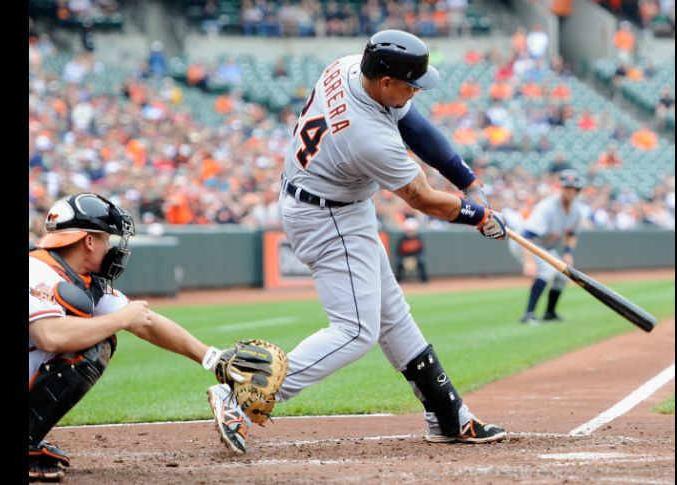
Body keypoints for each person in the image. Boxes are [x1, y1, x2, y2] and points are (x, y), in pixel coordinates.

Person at [207, 29, 508, 453]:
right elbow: (422, 197)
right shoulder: (367, 134)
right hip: (327, 215)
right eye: (411, 85)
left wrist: (469, 183)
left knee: (391, 313)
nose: (416, 93)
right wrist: (479, 216)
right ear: (386, 83)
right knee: (356, 330)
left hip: (330, 200)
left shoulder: (352, 67)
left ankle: (447, 414)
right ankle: (240, 396)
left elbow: (417, 128)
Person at [29, 193, 235, 480]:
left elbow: (146, 322)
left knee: (99, 337)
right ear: (89, 241)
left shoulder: (80, 280)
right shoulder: (36, 270)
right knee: (93, 343)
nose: (110, 246)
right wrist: (119, 320)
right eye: (106, 238)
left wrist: (214, 359)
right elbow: (48, 335)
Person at [509, 170, 586, 324]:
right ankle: (528, 314)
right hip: (524, 243)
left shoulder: (576, 210)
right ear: (561, 188)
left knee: (564, 275)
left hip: (544, 247)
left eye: (573, 188)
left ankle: (550, 313)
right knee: (547, 269)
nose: (570, 191)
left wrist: (568, 253)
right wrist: (529, 261)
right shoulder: (547, 207)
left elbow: (571, 234)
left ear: (578, 191)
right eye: (567, 187)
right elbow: (527, 236)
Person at [396, 218, 428, 283]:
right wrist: (405, 259)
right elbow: (398, 252)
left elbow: (421, 251)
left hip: (415, 257)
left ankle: (424, 280)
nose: (411, 233)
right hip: (404, 257)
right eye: (409, 231)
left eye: (412, 231)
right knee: (399, 263)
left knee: (421, 261)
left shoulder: (418, 238)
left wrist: (414, 258)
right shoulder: (402, 239)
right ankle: (398, 280)